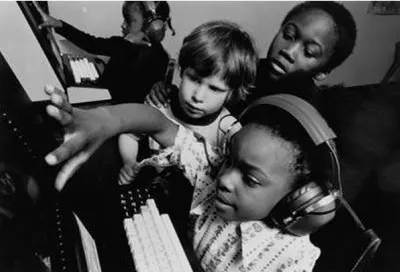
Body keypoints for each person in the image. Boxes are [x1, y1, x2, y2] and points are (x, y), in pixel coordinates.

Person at [43, 84, 338, 272]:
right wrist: (110, 120)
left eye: (250, 178)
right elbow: (159, 124)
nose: (224, 178)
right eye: (229, 160)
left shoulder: (292, 259)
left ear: (293, 200)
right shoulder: (211, 173)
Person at [146, 1, 357, 114]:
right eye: (288, 35)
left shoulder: (304, 113)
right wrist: (167, 94)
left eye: (308, 52)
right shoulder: (241, 68)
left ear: (323, 72)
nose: (288, 51)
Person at [118, 20, 257, 184]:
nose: (198, 96)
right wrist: (129, 162)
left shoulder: (230, 130)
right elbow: (130, 135)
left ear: (232, 93)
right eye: (193, 79)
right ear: (182, 70)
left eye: (214, 89)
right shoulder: (160, 103)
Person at [39, 1, 172, 104]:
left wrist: (126, 44)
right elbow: (93, 44)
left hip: (118, 116)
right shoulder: (123, 43)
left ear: (152, 27)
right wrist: (59, 25)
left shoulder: (158, 58)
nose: (123, 25)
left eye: (128, 20)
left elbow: (122, 90)